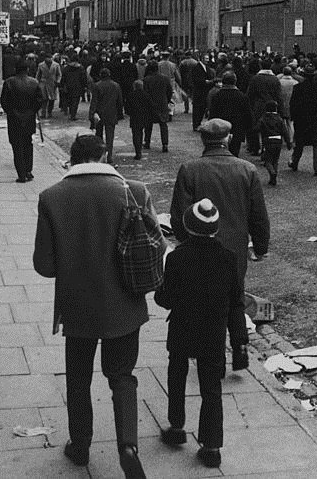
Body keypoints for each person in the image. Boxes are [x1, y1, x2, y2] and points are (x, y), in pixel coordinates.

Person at [33, 134, 155, 478]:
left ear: (73, 159)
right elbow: (152, 244)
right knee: (122, 376)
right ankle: (128, 445)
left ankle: (81, 446)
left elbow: (44, 265)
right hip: (125, 304)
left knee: (78, 378)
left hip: (77, 304)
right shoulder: (135, 190)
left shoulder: (51, 197)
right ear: (104, 156)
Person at [155, 198, 249, 470]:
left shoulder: (176, 258)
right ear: (216, 229)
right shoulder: (229, 259)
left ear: (188, 226)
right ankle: (211, 446)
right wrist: (239, 339)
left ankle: (176, 426)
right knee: (211, 389)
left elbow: (166, 299)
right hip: (213, 332)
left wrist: (160, 293)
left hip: (183, 328)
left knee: (177, 374)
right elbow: (236, 304)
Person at [170, 119, 270, 294]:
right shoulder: (247, 170)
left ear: (203, 140)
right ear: (228, 138)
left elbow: (179, 214)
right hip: (235, 246)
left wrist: (185, 243)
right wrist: (260, 247)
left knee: (201, 296)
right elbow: (258, 215)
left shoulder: (189, 170)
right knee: (234, 296)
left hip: (198, 247)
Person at [0, 58, 43, 182]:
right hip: (29, 118)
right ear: (27, 69)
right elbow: (39, 101)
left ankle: (21, 173)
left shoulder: (9, 82)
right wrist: (32, 111)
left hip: (14, 118)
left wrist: (11, 112)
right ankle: (28, 170)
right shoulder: (34, 83)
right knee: (28, 145)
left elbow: (4, 101)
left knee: (17, 146)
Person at [289, 66, 317, 176]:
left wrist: (293, 116)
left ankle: (294, 162)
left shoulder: (298, 88)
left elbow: (292, 104)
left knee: (299, 142)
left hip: (301, 119)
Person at [209, 72, 253, 157]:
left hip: (220, 129)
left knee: (221, 154)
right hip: (237, 130)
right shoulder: (242, 96)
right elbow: (247, 114)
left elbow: (213, 113)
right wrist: (248, 127)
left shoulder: (217, 96)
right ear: (235, 82)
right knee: (234, 153)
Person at [89, 68, 124, 164]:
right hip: (111, 113)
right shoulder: (116, 85)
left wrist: (92, 115)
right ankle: (109, 155)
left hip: (100, 113)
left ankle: (100, 155)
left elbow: (94, 101)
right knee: (110, 136)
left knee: (99, 136)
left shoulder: (97, 86)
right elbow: (119, 101)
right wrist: (120, 114)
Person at [142, 61, 172, 153]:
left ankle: (147, 142)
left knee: (148, 125)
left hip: (150, 104)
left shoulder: (146, 79)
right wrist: (166, 100)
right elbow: (169, 91)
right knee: (163, 125)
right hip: (162, 104)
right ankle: (165, 144)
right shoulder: (165, 78)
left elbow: (145, 93)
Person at [258, 100, 286, 186]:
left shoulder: (263, 118)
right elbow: (284, 131)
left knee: (267, 160)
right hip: (278, 140)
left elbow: (257, 128)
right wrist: (288, 142)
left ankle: (272, 172)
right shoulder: (279, 119)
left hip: (268, 140)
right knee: (275, 160)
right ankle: (274, 176)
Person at [125, 79, 153, 160]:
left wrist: (130, 113)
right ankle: (143, 146)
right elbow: (151, 105)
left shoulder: (131, 95)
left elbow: (127, 107)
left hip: (134, 116)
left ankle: (138, 151)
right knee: (143, 132)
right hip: (144, 116)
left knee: (136, 134)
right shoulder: (146, 95)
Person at [61, 54, 88, 121]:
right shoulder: (81, 68)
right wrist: (85, 86)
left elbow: (63, 78)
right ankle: (73, 114)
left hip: (68, 86)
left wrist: (62, 85)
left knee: (70, 100)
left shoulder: (66, 68)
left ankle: (71, 113)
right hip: (78, 87)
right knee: (75, 101)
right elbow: (83, 78)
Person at [37, 52, 62, 119]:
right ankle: (43, 113)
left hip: (52, 84)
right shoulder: (41, 65)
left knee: (52, 99)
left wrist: (58, 81)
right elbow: (38, 75)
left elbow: (59, 74)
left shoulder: (56, 65)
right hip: (43, 83)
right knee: (44, 99)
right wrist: (37, 83)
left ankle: (50, 112)